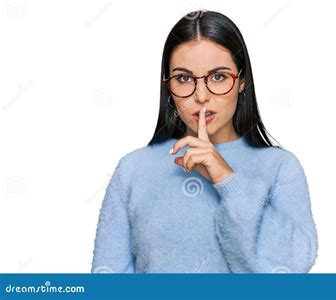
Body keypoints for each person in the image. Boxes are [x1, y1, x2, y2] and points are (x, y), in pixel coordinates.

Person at [91, 10, 318, 273]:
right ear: (168, 86)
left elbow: (294, 265)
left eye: (218, 77)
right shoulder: (133, 170)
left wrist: (227, 180)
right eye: (184, 78)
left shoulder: (280, 167)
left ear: (242, 81)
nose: (200, 96)